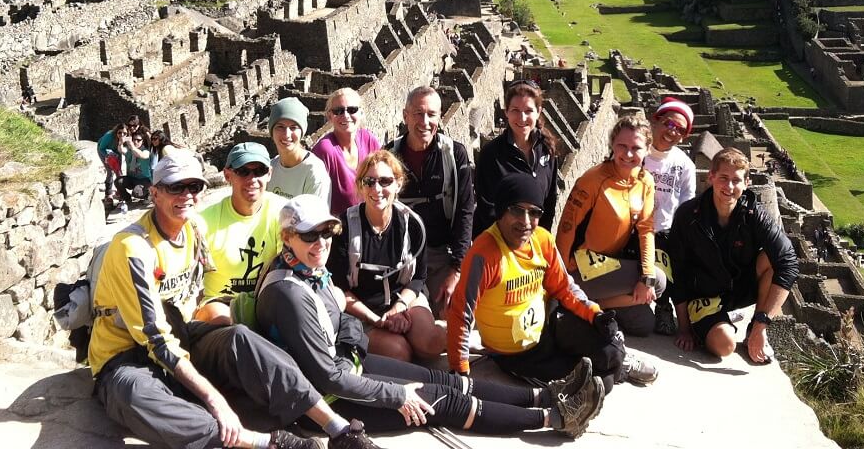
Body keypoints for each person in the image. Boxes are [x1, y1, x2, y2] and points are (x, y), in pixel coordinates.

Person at [88, 154, 380, 449]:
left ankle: (338, 429)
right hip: (126, 355)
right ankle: (266, 442)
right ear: (154, 193)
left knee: (241, 338)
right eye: (176, 188)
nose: (187, 195)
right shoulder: (133, 248)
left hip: (183, 337)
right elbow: (156, 340)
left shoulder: (194, 230)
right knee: (134, 394)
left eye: (194, 187)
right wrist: (214, 399)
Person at [254, 194, 604, 439]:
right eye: (309, 235)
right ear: (287, 237)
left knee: (449, 382)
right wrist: (397, 396)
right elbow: (329, 378)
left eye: (327, 232)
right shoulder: (289, 293)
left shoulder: (309, 270)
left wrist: (353, 348)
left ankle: (544, 396)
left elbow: (344, 320)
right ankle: (554, 417)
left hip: (345, 368)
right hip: (322, 402)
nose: (322, 242)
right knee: (443, 402)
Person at [449, 173, 633, 391]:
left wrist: (595, 314)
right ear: (501, 211)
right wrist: (459, 370)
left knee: (611, 351)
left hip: (550, 325)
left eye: (534, 213)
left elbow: (565, 288)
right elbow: (461, 313)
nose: (526, 222)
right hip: (516, 353)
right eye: (517, 210)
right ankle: (609, 374)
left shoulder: (542, 239)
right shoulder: (484, 254)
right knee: (585, 384)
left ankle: (619, 364)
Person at [667, 147, 799, 363]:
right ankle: (710, 325)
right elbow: (677, 271)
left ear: (746, 183)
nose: (729, 187)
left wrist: (761, 323)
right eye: (723, 178)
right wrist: (683, 328)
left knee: (773, 258)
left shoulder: (754, 214)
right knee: (725, 346)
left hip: (738, 289)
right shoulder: (688, 215)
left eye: (736, 180)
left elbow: (789, 262)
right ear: (711, 177)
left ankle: (752, 333)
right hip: (704, 295)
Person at [556, 114, 666, 346]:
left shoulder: (645, 182)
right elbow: (567, 226)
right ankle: (578, 299)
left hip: (611, 266)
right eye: (621, 147)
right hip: (581, 267)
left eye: (635, 148)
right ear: (612, 146)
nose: (627, 154)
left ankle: (596, 304)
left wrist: (644, 276)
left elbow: (646, 230)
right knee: (658, 280)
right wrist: (562, 277)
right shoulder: (593, 179)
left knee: (644, 324)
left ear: (647, 149)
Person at [329, 151, 444, 361]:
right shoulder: (346, 226)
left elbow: (419, 276)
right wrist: (378, 320)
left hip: (405, 298)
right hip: (362, 309)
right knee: (399, 352)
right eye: (369, 182)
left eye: (385, 181)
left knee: (432, 343)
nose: (377, 189)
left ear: (398, 184)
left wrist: (399, 308)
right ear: (360, 186)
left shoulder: (413, 225)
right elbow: (340, 288)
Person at [389, 86, 474, 317]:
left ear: (440, 116)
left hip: (441, 254)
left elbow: (465, 211)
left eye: (431, 114)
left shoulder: (454, 154)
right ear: (405, 115)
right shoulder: (389, 156)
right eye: (418, 113)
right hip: (404, 257)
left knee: (458, 315)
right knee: (418, 328)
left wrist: (456, 270)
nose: (424, 121)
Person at [197, 142, 284, 326]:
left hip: (267, 299)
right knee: (223, 319)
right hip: (222, 303)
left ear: (269, 173)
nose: (252, 179)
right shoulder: (204, 221)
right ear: (228, 175)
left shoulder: (283, 212)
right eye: (243, 171)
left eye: (259, 171)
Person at [472, 81, 558, 237]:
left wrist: (539, 241)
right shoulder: (491, 154)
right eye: (515, 110)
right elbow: (487, 209)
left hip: (534, 244)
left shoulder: (547, 149)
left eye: (528, 110)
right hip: (499, 244)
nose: (522, 117)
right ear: (506, 112)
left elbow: (549, 201)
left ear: (538, 112)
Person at [645, 96, 696, 334]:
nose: (672, 132)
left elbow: (686, 201)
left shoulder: (684, 165)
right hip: (631, 225)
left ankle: (664, 308)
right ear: (656, 120)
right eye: (669, 124)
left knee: (667, 271)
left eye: (680, 130)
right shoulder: (637, 151)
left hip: (664, 229)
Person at [310, 88, 381, 216]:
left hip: (371, 222)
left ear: (361, 113)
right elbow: (315, 203)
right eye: (338, 111)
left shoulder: (369, 140)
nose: (346, 115)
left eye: (352, 109)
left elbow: (384, 180)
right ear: (330, 116)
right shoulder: (324, 151)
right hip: (341, 230)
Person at [265, 97, 331, 204]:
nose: (287, 134)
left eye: (293, 127)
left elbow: (315, 218)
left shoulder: (313, 173)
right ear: (271, 131)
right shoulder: (270, 168)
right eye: (280, 127)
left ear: (302, 132)